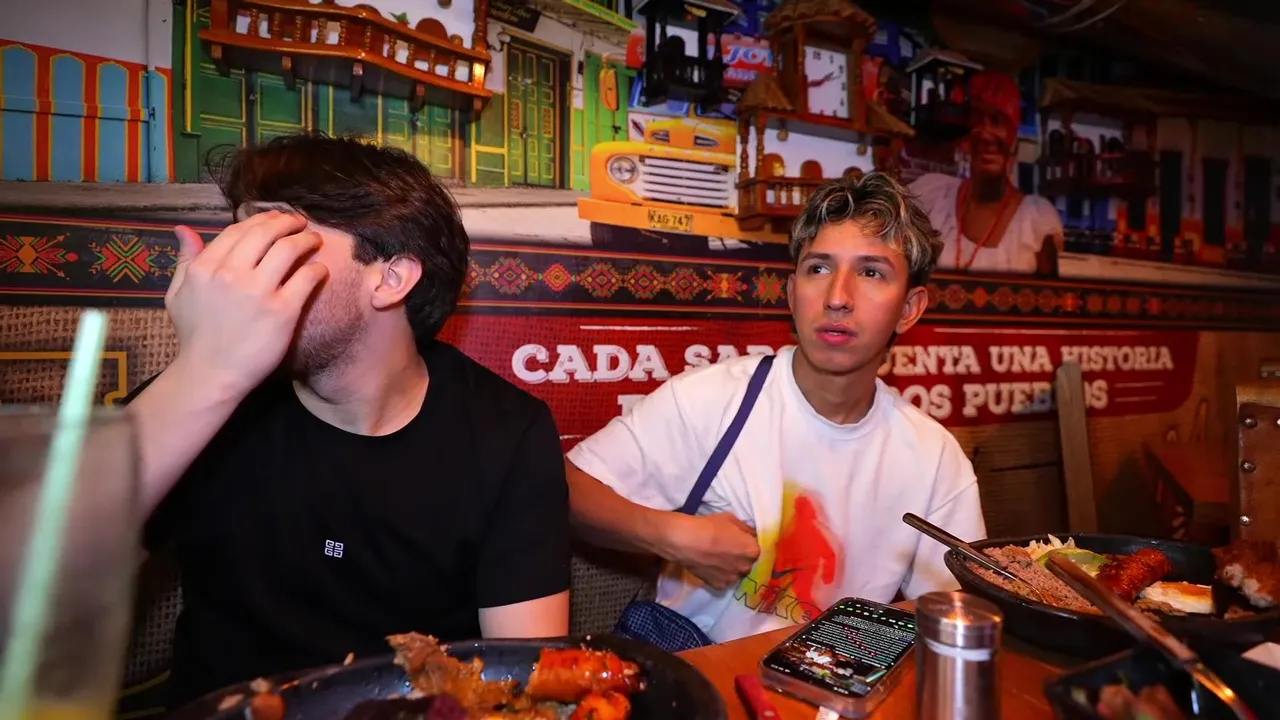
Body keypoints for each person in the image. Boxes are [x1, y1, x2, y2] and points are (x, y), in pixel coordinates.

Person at [123, 133, 571, 706]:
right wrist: (205, 371)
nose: (233, 272)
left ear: (390, 278)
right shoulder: (195, 401)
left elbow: (527, 688)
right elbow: (35, 581)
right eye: (236, 237)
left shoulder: (507, 432)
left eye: (275, 239)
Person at [565, 172, 986, 643]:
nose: (838, 298)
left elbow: (956, 621)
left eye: (871, 272)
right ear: (791, 294)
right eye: (819, 269)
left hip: (840, 678)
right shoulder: (713, 400)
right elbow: (565, 489)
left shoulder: (933, 457)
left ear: (909, 309)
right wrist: (676, 536)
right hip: (698, 669)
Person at [909, 70, 1064, 275]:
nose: (986, 134)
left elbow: (1051, 294)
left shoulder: (1036, 220)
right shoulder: (933, 197)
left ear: (1013, 137)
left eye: (997, 121)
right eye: (977, 120)